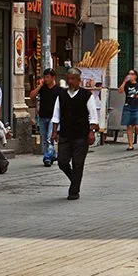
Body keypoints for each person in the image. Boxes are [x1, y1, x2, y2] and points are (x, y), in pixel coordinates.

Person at [51, 68, 98, 200]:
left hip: (81, 135)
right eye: (68, 79)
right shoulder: (62, 95)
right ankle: (74, 179)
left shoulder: (86, 95)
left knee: (78, 163)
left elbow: (93, 115)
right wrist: (54, 131)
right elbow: (56, 114)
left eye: (72, 79)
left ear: (78, 80)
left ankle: (74, 191)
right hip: (65, 134)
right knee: (62, 161)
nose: (70, 81)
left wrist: (91, 132)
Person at [29, 68, 63, 166]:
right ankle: (52, 154)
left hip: (53, 117)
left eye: (48, 77)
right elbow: (32, 97)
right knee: (43, 139)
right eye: (45, 77)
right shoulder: (42, 88)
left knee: (49, 137)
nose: (46, 79)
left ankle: (47, 157)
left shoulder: (59, 90)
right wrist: (40, 86)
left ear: (53, 77)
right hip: (42, 116)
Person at [118, 69, 138, 151]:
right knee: (129, 126)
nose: (130, 75)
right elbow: (120, 91)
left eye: (132, 74)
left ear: (136, 75)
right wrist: (124, 81)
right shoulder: (126, 84)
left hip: (137, 106)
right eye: (129, 74)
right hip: (127, 106)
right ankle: (130, 145)